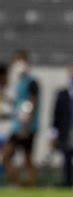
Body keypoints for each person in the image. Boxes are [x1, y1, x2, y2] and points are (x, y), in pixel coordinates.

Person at [3, 50, 40, 187]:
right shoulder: (19, 83)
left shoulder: (32, 82)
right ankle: (23, 184)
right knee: (23, 158)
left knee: (20, 157)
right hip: (18, 125)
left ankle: (28, 185)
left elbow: (31, 104)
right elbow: (18, 104)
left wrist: (26, 126)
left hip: (26, 126)